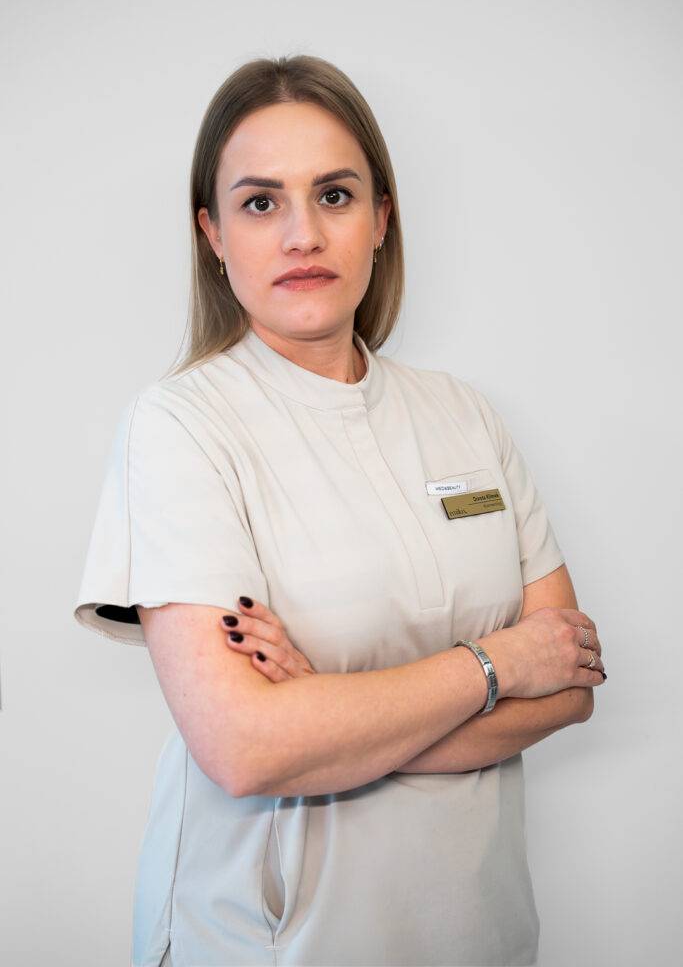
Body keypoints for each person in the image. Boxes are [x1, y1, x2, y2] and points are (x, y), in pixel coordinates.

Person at [73, 54, 606, 967]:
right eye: (259, 202)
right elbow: (244, 749)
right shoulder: (179, 426)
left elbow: (567, 684)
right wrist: (497, 664)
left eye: (333, 195)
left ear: (381, 218)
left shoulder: (464, 415)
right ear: (211, 233)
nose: (302, 235)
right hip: (272, 940)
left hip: (477, 934)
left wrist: (328, 713)